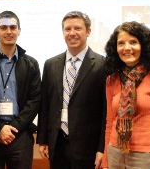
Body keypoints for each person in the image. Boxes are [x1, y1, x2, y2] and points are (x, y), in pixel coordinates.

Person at [102, 21, 150, 169]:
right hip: (115, 153)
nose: (127, 48)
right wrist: (106, 160)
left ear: (144, 46)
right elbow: (110, 121)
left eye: (133, 42)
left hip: (147, 157)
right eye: (121, 43)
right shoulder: (112, 79)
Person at [37, 11, 106, 169]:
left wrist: (102, 148)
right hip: (57, 143)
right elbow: (45, 105)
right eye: (67, 29)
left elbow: (106, 111)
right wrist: (43, 139)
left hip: (88, 147)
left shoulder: (103, 64)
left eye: (77, 28)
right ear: (63, 33)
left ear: (88, 31)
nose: (72, 33)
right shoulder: (51, 64)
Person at [0, 11, 41, 169]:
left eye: (13, 27)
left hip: (20, 135)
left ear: (19, 30)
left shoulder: (31, 64)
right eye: (3, 27)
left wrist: (14, 127)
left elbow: (35, 100)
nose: (8, 31)